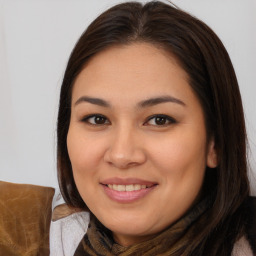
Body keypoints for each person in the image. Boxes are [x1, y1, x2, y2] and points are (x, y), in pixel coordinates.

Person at [0, 1, 254, 256]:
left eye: (159, 120)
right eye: (97, 119)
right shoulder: (23, 236)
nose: (121, 155)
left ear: (216, 142)